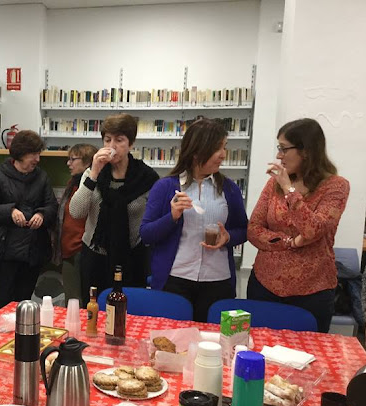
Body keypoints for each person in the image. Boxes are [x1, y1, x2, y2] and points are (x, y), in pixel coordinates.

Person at [139, 119, 248, 323]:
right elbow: (146, 233)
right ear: (197, 151)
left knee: (212, 342)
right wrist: (171, 217)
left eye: (224, 147)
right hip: (175, 278)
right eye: (218, 148)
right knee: (173, 342)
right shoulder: (164, 187)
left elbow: (244, 229)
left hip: (218, 280)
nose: (223, 155)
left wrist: (228, 237)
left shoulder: (229, 189)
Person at [247, 118, 349, 333]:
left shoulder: (336, 187)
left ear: (306, 150)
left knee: (307, 357)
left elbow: (313, 230)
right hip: (265, 285)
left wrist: (289, 191)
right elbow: (254, 230)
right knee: (259, 348)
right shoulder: (272, 183)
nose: (278, 156)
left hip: (312, 291)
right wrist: (290, 242)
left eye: (283, 149)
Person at [69, 113, 159, 305]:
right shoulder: (92, 173)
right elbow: (76, 212)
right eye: (107, 140)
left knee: (129, 312)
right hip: (95, 256)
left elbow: (154, 219)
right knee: (94, 311)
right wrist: (93, 173)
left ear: (131, 144)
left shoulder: (146, 178)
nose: (112, 146)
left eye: (119, 140)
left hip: (132, 257)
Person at [0, 130, 58, 311]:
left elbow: (52, 206)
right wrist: (10, 211)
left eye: (39, 154)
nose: (37, 159)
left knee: (25, 302)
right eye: (33, 154)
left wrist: (42, 215)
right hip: (6, 250)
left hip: (33, 250)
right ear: (20, 154)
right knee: (3, 301)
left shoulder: (42, 177)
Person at [53, 143, 97, 301]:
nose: (68, 163)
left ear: (87, 162)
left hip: (81, 251)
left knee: (80, 302)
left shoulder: (91, 187)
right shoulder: (72, 184)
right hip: (68, 251)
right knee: (72, 300)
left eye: (73, 159)